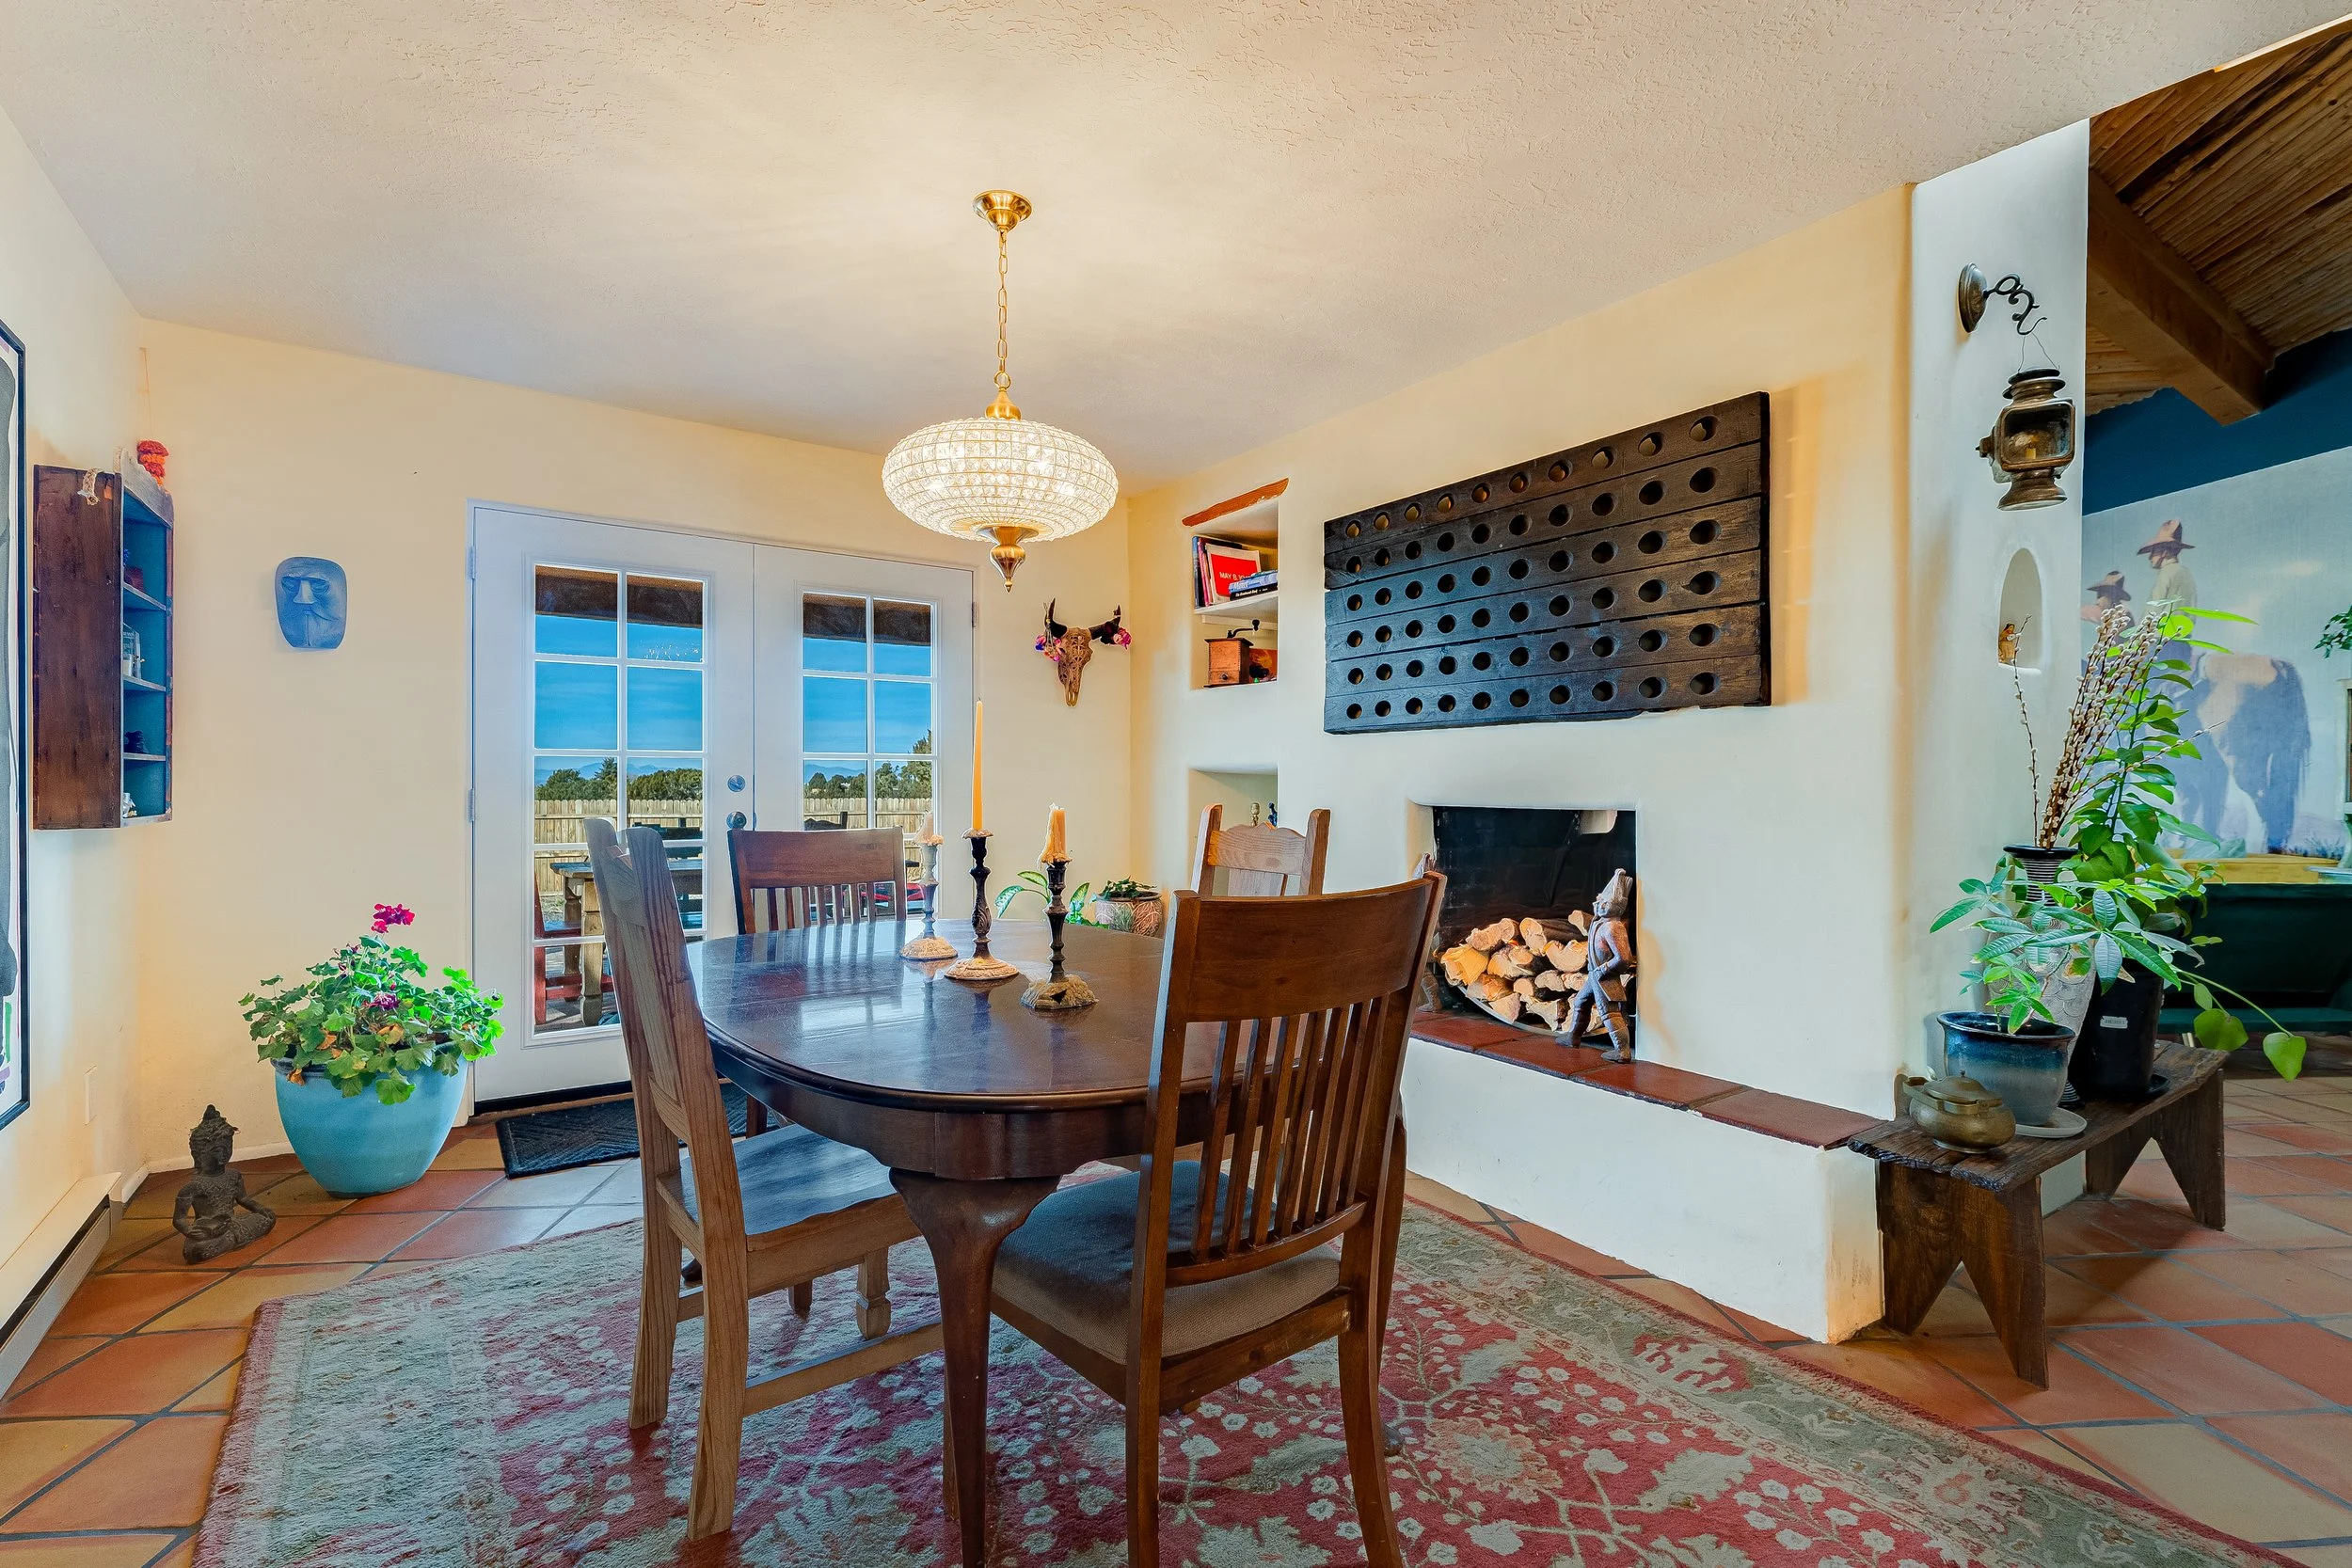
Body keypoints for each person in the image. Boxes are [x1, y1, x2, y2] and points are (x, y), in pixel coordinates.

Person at [171, 1106, 277, 1262]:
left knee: (267, 1219)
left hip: (232, 1224)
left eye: (229, 1147)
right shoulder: (194, 1186)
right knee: (196, 1250)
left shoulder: (233, 1176)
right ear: (200, 1153)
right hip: (210, 1230)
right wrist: (190, 1231)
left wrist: (261, 1209)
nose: (226, 1153)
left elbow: (244, 1199)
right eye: (218, 1150)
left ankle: (231, 1239)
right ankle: (225, 1241)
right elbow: (178, 1220)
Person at [2137, 520, 2199, 610]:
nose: (2150, 557)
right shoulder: (2186, 573)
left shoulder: (2166, 573)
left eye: (2153, 552)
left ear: (2164, 552)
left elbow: (2154, 608)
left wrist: (2144, 623)